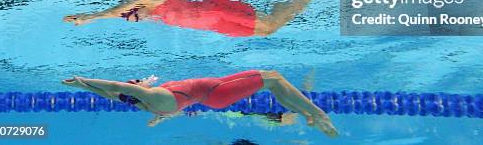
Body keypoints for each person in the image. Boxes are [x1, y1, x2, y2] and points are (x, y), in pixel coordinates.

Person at [61, 70, 338, 137]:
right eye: (137, 83)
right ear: (137, 90)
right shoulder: (152, 96)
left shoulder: (148, 102)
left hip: (215, 92)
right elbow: (113, 87)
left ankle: (307, 113)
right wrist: (82, 79)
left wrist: (84, 87)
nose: (139, 82)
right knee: (274, 78)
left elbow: (112, 94)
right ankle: (317, 114)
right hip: (216, 92)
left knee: (273, 80)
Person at [63, 0, 311, 37]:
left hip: (218, 9)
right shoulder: (156, 14)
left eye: (134, 15)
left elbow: (118, 10)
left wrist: (90, 17)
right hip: (216, 25)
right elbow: (121, 12)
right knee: (267, 32)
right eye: (134, 21)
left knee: (270, 25)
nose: (138, 20)